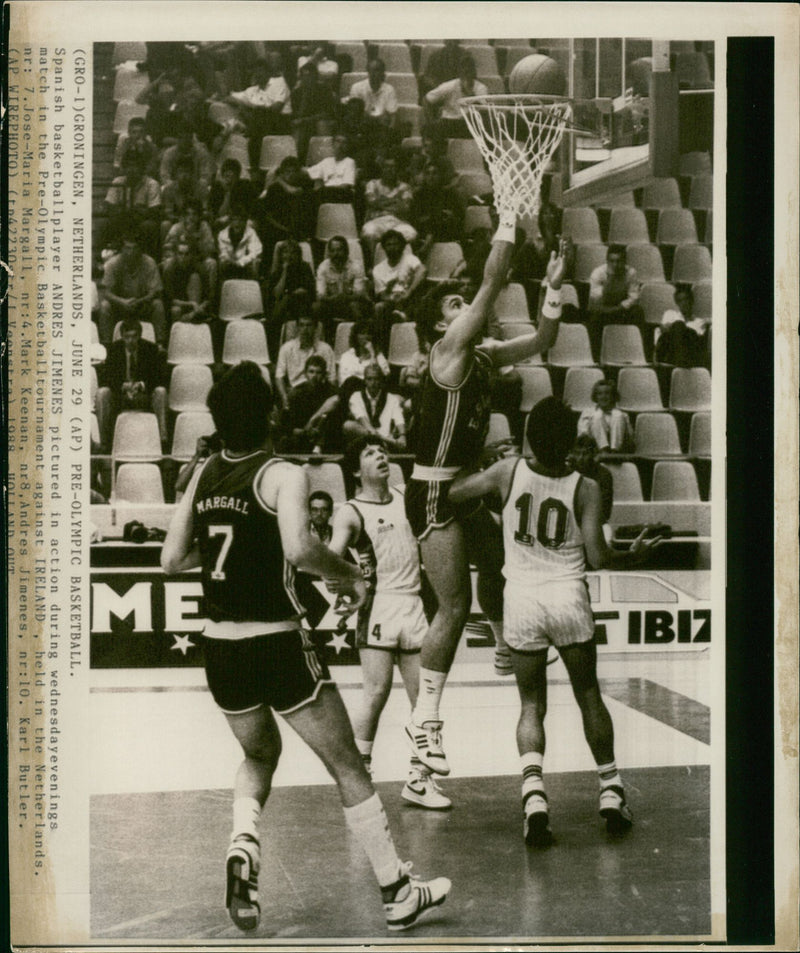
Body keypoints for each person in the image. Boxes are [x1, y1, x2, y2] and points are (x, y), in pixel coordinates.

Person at [160, 361, 450, 932]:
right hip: (277, 643)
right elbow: (297, 549)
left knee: (258, 755)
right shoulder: (283, 474)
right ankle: (396, 891)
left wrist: (240, 550)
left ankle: (243, 843)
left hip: (221, 650)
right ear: (270, 414)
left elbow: (171, 560)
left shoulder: (204, 474)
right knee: (347, 763)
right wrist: (348, 574)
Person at [449, 397, 661, 845]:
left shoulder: (507, 472)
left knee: (530, 705)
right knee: (588, 696)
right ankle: (609, 790)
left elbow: (451, 493)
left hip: (522, 599)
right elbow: (599, 559)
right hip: (568, 595)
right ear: (569, 441)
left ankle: (534, 797)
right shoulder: (586, 486)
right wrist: (634, 554)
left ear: (529, 435)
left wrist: (479, 468)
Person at [403, 218, 567, 776]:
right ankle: (424, 719)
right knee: (453, 605)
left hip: (464, 483)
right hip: (432, 487)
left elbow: (545, 341)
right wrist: (509, 219)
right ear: (440, 323)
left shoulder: (486, 356)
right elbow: (491, 283)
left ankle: (501, 640)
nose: (462, 304)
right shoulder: (449, 351)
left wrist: (553, 285)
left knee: (499, 564)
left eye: (460, 300)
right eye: (452, 302)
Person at [330, 435, 451, 811]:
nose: (380, 456)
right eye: (369, 453)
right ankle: (359, 779)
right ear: (355, 469)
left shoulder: (405, 496)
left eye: (382, 451)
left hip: (414, 605)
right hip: (379, 607)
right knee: (375, 695)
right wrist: (351, 583)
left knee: (424, 700)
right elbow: (329, 558)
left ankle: (418, 781)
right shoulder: (350, 511)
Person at [95, 317, 168, 451]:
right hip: (120, 395)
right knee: (102, 393)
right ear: (122, 336)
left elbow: (159, 377)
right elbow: (106, 378)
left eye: (134, 336)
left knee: (161, 392)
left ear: (139, 335)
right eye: (127, 337)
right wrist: (122, 386)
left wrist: (141, 385)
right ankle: (103, 442)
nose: (130, 340)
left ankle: (162, 440)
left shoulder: (150, 349)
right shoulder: (112, 350)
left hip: (143, 395)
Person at [98, 227, 167, 346]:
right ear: (122, 249)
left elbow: (155, 292)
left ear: (140, 249)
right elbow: (107, 292)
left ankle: (160, 344)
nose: (131, 252)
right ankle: (106, 345)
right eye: (128, 248)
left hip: (142, 304)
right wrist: (122, 302)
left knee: (158, 305)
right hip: (120, 306)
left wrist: (139, 301)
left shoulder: (149, 262)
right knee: (105, 307)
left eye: (135, 248)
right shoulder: (112, 264)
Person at [586, 244, 643, 362]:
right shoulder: (598, 274)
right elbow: (596, 301)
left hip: (621, 311)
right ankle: (595, 358)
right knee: (594, 319)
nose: (615, 265)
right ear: (607, 261)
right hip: (604, 311)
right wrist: (610, 279)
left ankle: (639, 355)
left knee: (638, 312)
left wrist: (618, 308)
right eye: (612, 261)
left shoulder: (631, 273)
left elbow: (634, 298)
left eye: (619, 261)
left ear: (624, 261)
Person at [276, 353, 341, 454]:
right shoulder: (297, 393)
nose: (314, 376)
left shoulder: (331, 391)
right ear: (305, 374)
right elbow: (286, 423)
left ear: (324, 374)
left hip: (324, 434)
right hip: (303, 435)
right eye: (311, 372)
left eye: (318, 372)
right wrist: (304, 431)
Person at [274, 313, 336, 409]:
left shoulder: (326, 349)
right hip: (296, 391)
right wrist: (284, 397)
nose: (305, 329)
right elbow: (279, 376)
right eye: (302, 325)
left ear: (315, 327)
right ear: (297, 327)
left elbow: (332, 379)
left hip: (318, 392)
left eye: (309, 325)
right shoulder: (286, 348)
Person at [361, 157, 417, 258]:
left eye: (393, 167)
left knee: (411, 233)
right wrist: (395, 200)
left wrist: (381, 201)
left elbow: (405, 208)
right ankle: (373, 263)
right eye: (386, 167)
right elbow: (372, 202)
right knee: (369, 232)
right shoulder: (372, 184)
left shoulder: (405, 186)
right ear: (382, 169)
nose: (389, 170)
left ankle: (402, 265)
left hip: (398, 222)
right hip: (377, 221)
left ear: (397, 170)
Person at [344, 363, 407, 452]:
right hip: (367, 437)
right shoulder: (356, 397)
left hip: (386, 436)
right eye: (369, 379)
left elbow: (399, 419)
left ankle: (383, 444)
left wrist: (402, 435)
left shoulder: (391, 398)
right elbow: (363, 421)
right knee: (348, 425)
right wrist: (388, 440)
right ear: (365, 381)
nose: (373, 383)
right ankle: (383, 443)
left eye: (376, 379)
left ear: (381, 381)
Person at [313, 235, 367, 338]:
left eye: (339, 250)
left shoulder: (356, 266)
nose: (336, 254)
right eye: (332, 251)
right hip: (331, 304)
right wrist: (335, 298)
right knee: (316, 307)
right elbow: (320, 295)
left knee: (355, 306)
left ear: (346, 252)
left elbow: (359, 293)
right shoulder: (323, 267)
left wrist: (344, 297)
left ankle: (358, 338)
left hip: (351, 303)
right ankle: (324, 340)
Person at [423, 55, 489, 139]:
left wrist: (470, 94)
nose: (467, 73)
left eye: (469, 70)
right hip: (449, 122)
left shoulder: (481, 88)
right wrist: (431, 121)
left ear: (474, 71)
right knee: (433, 129)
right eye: (464, 71)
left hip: (469, 124)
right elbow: (426, 100)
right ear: (460, 72)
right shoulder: (450, 86)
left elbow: (482, 109)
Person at [576, 379, 634, 454]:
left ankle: (615, 451)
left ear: (613, 396)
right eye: (600, 394)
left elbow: (629, 439)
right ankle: (604, 450)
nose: (603, 397)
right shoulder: (588, 413)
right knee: (597, 415)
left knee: (618, 414)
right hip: (595, 451)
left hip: (619, 453)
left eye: (607, 393)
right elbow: (583, 436)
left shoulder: (622, 415)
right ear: (596, 396)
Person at [337, 319, 390, 388]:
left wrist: (372, 354)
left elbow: (382, 380)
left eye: (369, 333)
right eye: (362, 333)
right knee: (351, 381)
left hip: (372, 391)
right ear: (356, 336)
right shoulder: (346, 356)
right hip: (351, 390)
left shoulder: (379, 357)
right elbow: (344, 381)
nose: (366, 336)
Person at [306, 134, 357, 203]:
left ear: (347, 147)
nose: (340, 145)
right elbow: (308, 172)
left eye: (344, 142)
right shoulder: (326, 161)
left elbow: (345, 186)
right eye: (338, 141)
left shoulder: (350, 162)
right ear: (333, 145)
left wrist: (325, 190)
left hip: (341, 195)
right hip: (325, 194)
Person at [217, 208, 263, 282]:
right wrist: (232, 262)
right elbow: (223, 253)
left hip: (245, 265)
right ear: (231, 222)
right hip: (229, 265)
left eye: (240, 220)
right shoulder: (222, 235)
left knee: (255, 263)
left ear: (245, 222)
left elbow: (255, 252)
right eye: (235, 220)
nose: (237, 223)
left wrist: (241, 262)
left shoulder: (251, 233)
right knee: (222, 263)